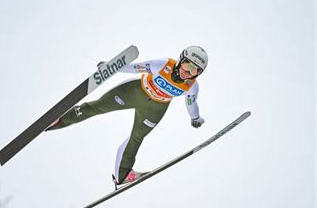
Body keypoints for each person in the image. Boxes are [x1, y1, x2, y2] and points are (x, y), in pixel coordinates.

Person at [46, 46, 208, 185]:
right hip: (134, 91)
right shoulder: (164, 64)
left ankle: (122, 175)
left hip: (156, 108)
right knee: (97, 107)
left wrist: (195, 117)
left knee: (136, 138)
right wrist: (112, 67)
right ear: (181, 60)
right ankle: (59, 120)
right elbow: (136, 67)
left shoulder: (192, 86)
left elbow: (191, 103)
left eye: (195, 70)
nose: (188, 72)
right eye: (187, 65)